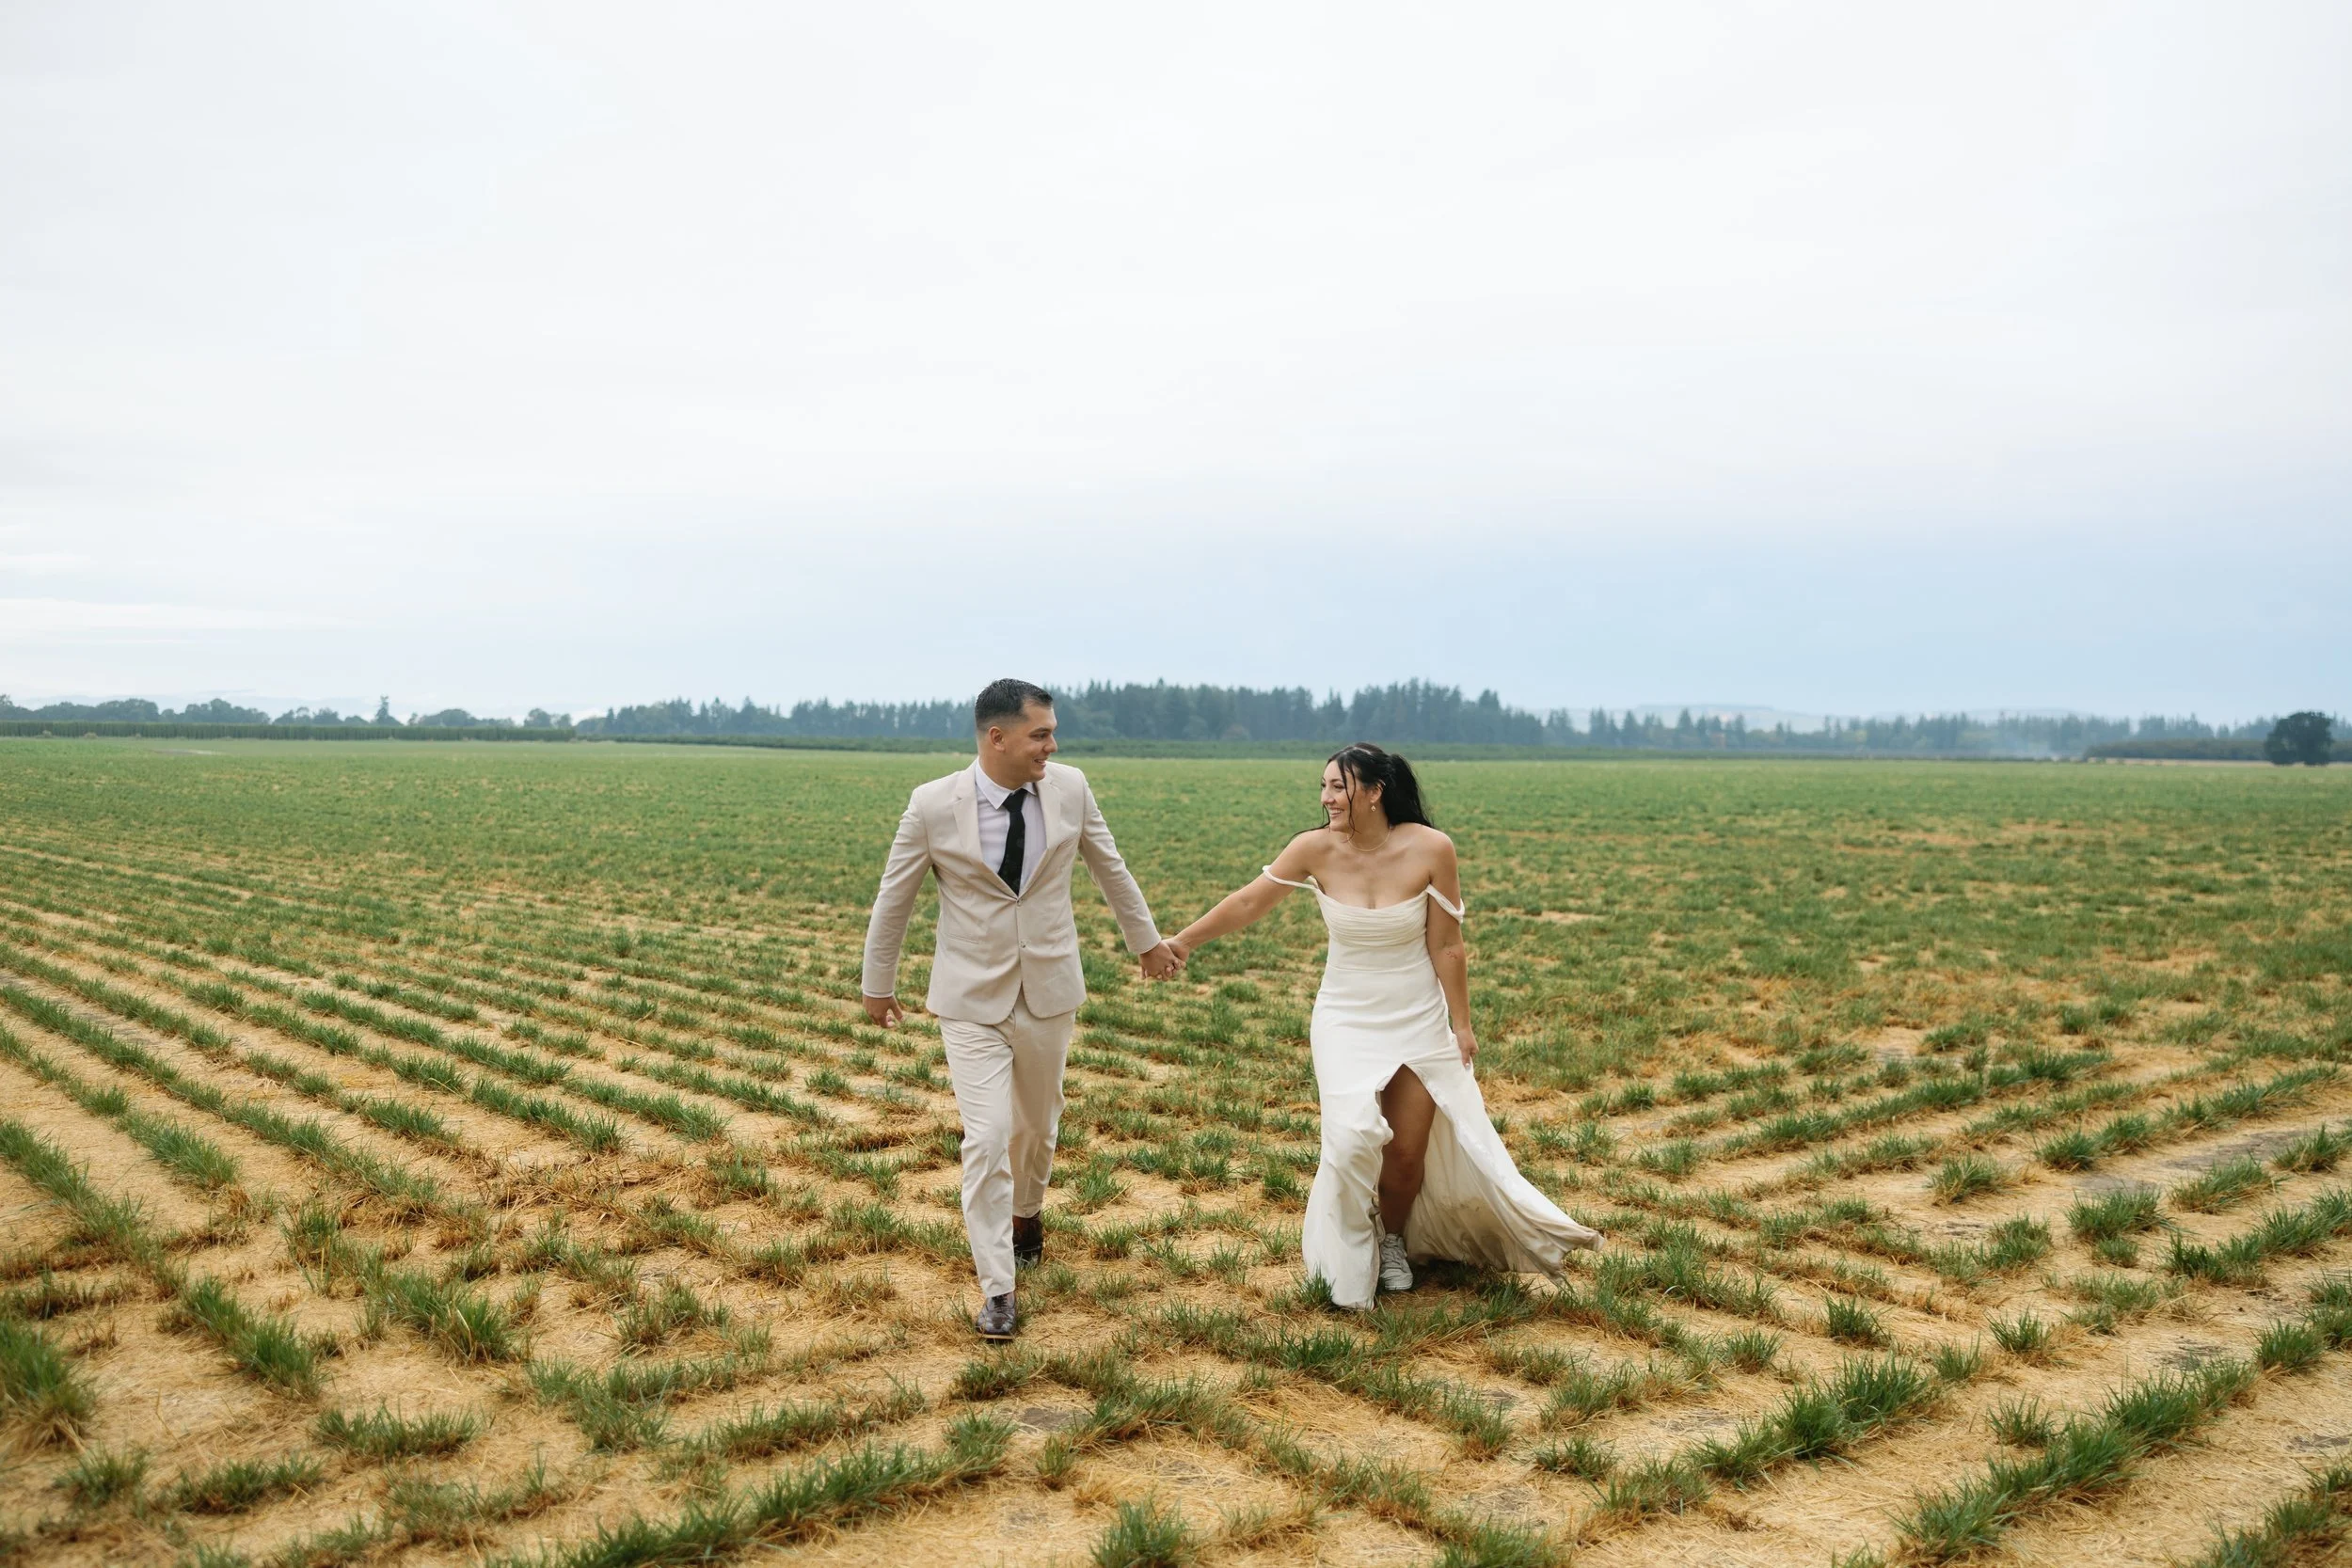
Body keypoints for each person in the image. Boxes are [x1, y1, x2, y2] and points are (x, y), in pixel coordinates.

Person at [1165, 743, 1600, 1309]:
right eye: (1323, 786)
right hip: (1345, 1015)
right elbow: (1249, 902)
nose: (1326, 798)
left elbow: (1447, 944)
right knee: (1349, 1142)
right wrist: (1181, 942)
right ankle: (1345, 1258)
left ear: (1375, 791)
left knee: (1406, 1154)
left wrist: (1461, 1024)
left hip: (1417, 1015)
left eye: (1339, 787)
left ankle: (1393, 1240)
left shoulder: (1432, 848)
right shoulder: (1312, 849)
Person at [861, 679, 1183, 1340]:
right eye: (1039, 733)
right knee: (985, 1137)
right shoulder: (930, 805)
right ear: (995, 738)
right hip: (969, 998)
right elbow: (895, 898)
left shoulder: (1071, 787)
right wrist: (877, 981)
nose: (1052, 744)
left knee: (1036, 1127)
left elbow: (1110, 867)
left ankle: (1028, 1212)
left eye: (1052, 732)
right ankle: (998, 1288)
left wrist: (1146, 942)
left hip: (1048, 989)